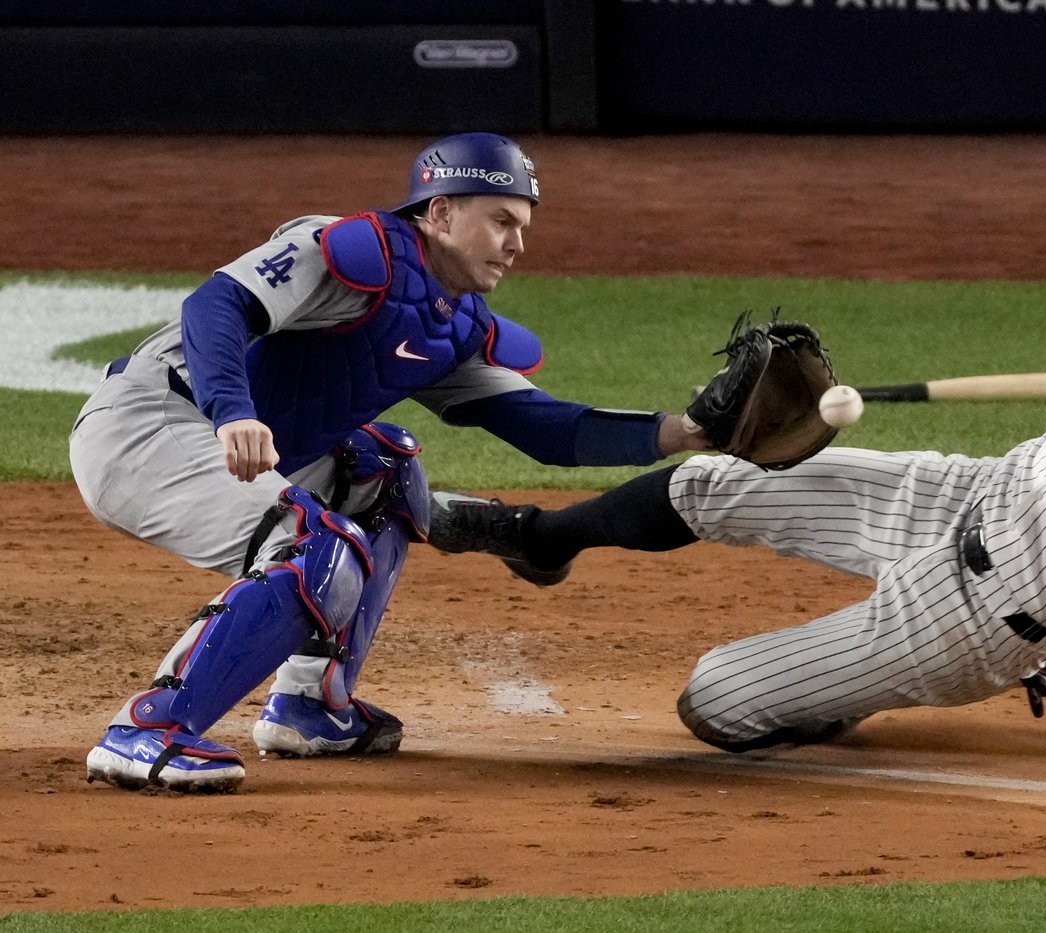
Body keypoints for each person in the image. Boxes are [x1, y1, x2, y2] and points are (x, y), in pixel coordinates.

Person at [434, 180, 1046, 794]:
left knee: (715, 699)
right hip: (962, 493)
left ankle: (849, 689)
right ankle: (542, 540)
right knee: (719, 478)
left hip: (975, 622)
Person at [72, 133, 709, 793]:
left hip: (224, 439)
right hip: (147, 425)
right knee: (315, 546)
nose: (517, 244)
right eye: (500, 220)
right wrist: (233, 410)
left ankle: (312, 705)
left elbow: (545, 426)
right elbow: (216, 305)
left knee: (386, 473)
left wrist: (687, 431)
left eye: (521, 225)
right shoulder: (345, 251)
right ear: (440, 212)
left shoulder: (452, 324)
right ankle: (149, 729)